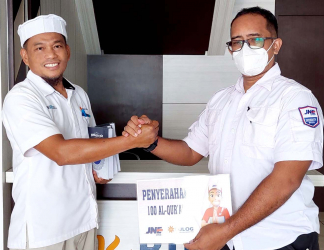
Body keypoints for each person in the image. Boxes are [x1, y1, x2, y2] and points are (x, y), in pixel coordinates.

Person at [124, 7, 323, 250]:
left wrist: (224, 232)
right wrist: (150, 140)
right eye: (237, 42)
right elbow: (190, 152)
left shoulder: (295, 99)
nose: (245, 48)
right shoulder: (221, 101)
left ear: (276, 45)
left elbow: (287, 179)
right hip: (230, 239)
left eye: (255, 39)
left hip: (280, 239)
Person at [2, 14, 158, 250]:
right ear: (25, 56)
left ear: (68, 50)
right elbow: (61, 153)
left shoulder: (79, 94)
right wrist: (132, 142)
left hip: (85, 222)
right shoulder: (21, 98)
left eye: (57, 46)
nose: (51, 55)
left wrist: (100, 169)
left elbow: (91, 145)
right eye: (40, 48)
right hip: (44, 231)